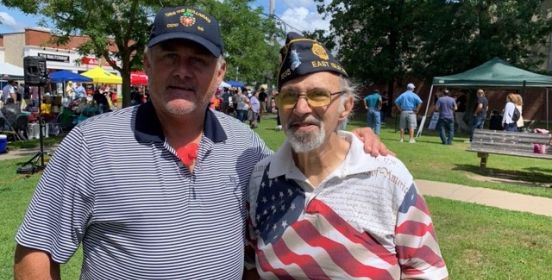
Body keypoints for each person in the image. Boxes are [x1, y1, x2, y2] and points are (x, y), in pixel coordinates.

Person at [14, 6, 388, 279]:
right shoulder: (91, 144)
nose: (182, 70)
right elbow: (37, 251)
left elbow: (305, 174)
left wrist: (346, 139)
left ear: (219, 73)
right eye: (169, 56)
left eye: (198, 60)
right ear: (147, 62)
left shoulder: (248, 148)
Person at [247, 35, 448, 279]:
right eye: (290, 97)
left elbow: (425, 271)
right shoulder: (261, 178)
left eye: (318, 95)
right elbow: (250, 266)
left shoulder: (387, 176)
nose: (301, 109)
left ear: (346, 106)